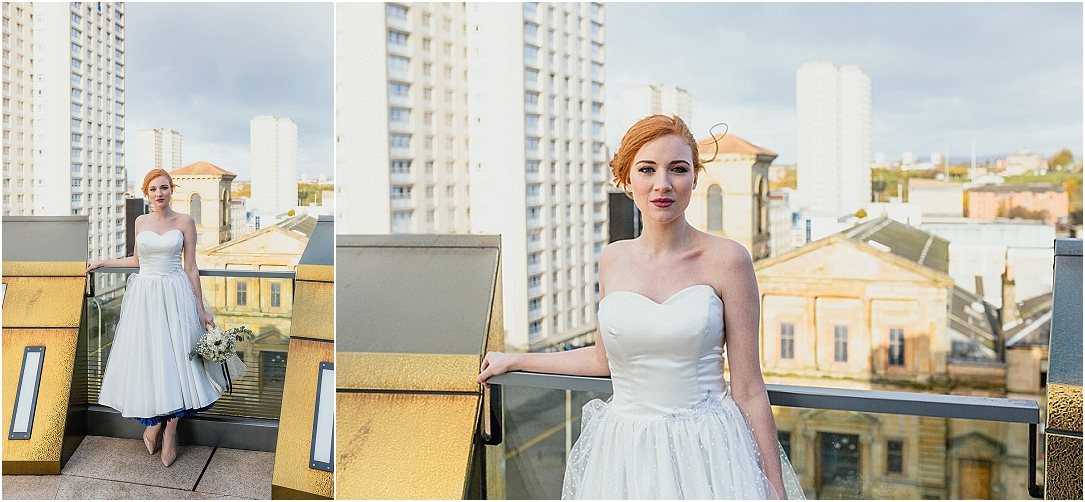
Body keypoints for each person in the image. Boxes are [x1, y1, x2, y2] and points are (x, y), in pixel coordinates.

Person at [478, 115, 805, 499]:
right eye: (647, 169)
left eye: (678, 169)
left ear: (695, 178)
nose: (662, 184)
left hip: (707, 451)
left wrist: (775, 491)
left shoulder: (729, 260)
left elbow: (748, 388)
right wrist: (515, 361)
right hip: (625, 452)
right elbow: (603, 361)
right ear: (627, 180)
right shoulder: (612, 259)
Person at [87, 168, 221, 467]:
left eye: (164, 188)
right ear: (146, 194)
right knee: (150, 358)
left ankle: (171, 431)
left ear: (171, 190)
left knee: (176, 360)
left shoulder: (185, 221)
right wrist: (102, 261)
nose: (159, 194)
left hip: (175, 295)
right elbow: (136, 260)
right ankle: (154, 423)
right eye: (153, 189)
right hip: (145, 297)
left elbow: (191, 267)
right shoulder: (140, 221)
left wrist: (199, 308)